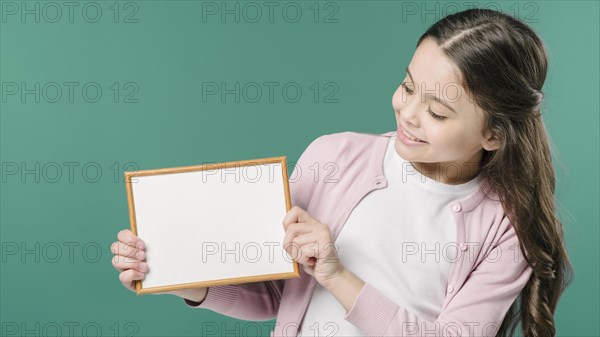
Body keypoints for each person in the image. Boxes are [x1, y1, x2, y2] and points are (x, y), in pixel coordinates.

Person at [111, 8, 574, 337]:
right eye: (407, 86)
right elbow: (278, 296)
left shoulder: (505, 228)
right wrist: (189, 280)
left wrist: (336, 275)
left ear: (493, 134)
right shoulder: (332, 157)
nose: (408, 113)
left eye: (436, 110)